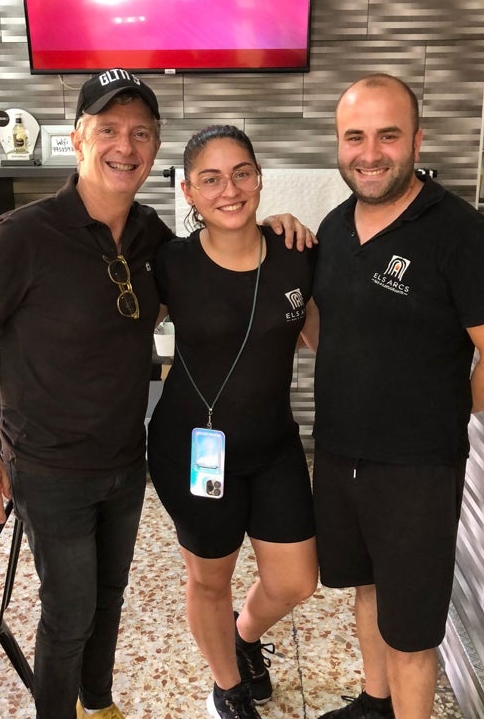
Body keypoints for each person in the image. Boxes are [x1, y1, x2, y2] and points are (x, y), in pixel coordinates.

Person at [0, 69, 311, 719]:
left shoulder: (151, 238)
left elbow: (217, 265)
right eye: (109, 128)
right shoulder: (23, 234)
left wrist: (275, 232)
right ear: (79, 138)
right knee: (69, 612)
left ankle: (100, 702)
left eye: (140, 131)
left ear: (155, 147)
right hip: (48, 461)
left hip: (124, 456)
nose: (125, 144)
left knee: (109, 595)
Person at [302, 74, 484, 719]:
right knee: (368, 588)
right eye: (355, 136)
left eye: (388, 135)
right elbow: (331, 328)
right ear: (339, 144)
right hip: (343, 452)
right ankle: (375, 705)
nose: (370, 152)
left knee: (413, 631)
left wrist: (434, 406)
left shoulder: (460, 235)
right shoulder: (337, 224)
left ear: (416, 141)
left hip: (417, 469)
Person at [146, 125, 318, 719]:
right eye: (211, 178)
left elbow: (327, 342)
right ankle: (228, 685)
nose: (230, 189)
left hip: (274, 446)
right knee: (209, 580)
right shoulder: (170, 264)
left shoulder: (298, 253)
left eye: (242, 172)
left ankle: (244, 637)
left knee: (296, 581)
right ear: (190, 192)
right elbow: (110, 335)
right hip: (192, 449)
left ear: (259, 177)